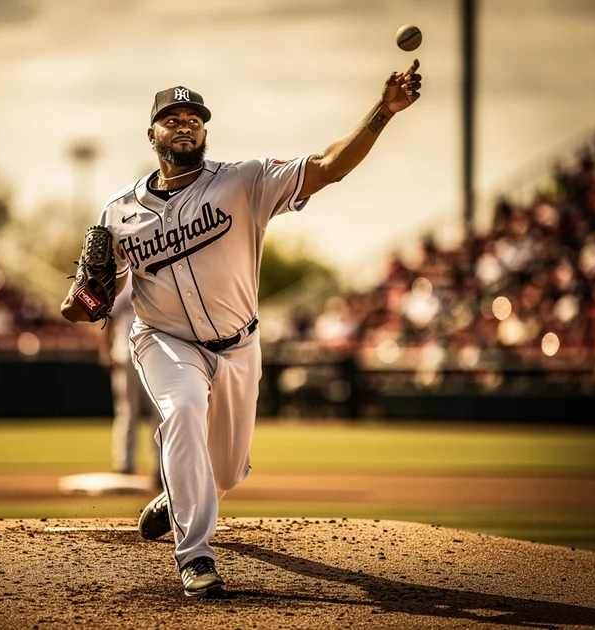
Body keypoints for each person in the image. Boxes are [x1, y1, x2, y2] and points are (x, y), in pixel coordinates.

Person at [61, 60, 423, 597]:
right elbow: (84, 306)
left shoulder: (243, 181)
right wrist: (84, 298)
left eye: (194, 117)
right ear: (151, 132)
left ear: (205, 130)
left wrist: (382, 113)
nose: (185, 124)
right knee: (182, 408)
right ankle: (196, 557)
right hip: (164, 340)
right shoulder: (119, 213)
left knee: (227, 472)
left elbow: (327, 166)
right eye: (172, 117)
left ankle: (183, 493)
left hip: (239, 346)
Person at [98, 281, 161, 487]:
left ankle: (161, 467)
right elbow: (109, 320)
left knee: (160, 414)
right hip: (124, 353)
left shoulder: (158, 279)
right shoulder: (123, 282)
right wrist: (106, 350)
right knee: (127, 411)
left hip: (156, 355)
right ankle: (125, 464)